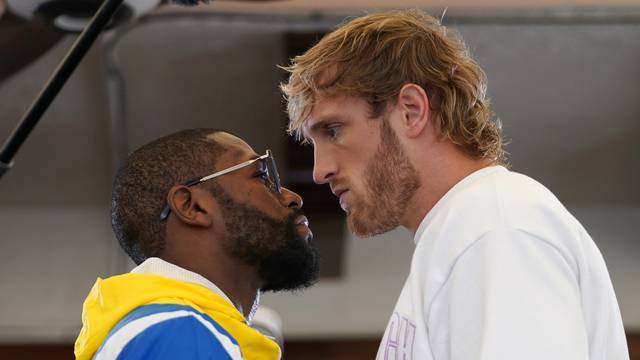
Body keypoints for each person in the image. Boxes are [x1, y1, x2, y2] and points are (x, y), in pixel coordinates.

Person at [280, 9, 628, 360]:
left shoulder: (496, 228)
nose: (319, 171)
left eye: (333, 131)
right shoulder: (465, 232)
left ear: (411, 111)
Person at [74, 129, 319, 360]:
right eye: (262, 175)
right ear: (192, 206)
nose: (292, 197)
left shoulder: (173, 332)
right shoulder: (178, 333)